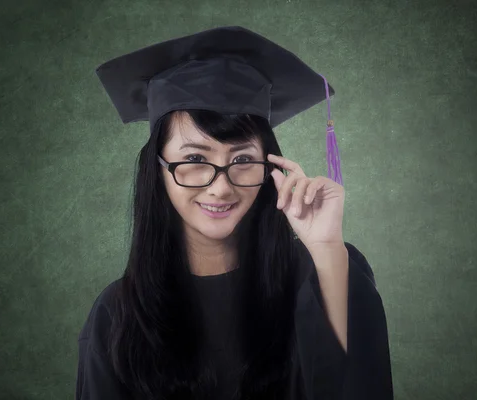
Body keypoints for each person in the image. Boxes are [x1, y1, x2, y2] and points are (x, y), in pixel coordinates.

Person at [76, 26, 393, 399]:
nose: (221, 187)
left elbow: (362, 387)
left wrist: (325, 246)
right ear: (157, 170)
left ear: (270, 167)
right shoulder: (118, 314)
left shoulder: (318, 273)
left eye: (242, 159)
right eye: (195, 159)